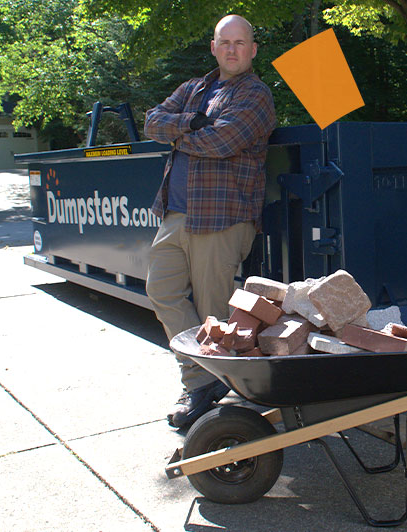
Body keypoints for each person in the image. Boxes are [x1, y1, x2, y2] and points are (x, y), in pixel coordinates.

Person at [143, 14, 276, 429]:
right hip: (176, 213)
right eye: (225, 42)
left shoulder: (255, 94)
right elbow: (152, 122)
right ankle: (205, 380)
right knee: (161, 291)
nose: (232, 49)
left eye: (241, 42)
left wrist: (179, 133)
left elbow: (221, 141)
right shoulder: (194, 89)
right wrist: (191, 122)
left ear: (252, 50)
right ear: (214, 47)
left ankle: (210, 395)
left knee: (212, 311)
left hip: (222, 218)